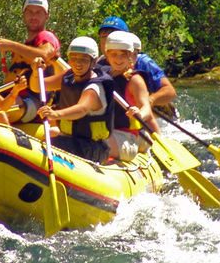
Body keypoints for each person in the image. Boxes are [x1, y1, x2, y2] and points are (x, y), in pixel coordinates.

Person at [34, 36, 114, 163]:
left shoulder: (94, 87)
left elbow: (81, 109)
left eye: (83, 59)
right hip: (72, 138)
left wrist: (55, 114)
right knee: (48, 138)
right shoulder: (69, 76)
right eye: (74, 58)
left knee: (52, 144)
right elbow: (37, 86)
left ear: (93, 62)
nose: (78, 63)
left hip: (93, 147)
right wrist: (36, 71)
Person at [0, 0, 65, 123]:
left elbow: (44, 55)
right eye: (29, 12)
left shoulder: (46, 37)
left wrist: (12, 45)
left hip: (34, 101)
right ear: (24, 15)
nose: (34, 16)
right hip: (14, 95)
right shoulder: (24, 48)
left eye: (39, 13)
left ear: (47, 16)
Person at [96, 16, 177, 111]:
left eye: (113, 35)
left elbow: (170, 92)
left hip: (148, 113)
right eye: (104, 37)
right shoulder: (98, 64)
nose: (109, 40)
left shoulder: (142, 61)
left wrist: (148, 101)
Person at [103, 31, 158, 162]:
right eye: (114, 55)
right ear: (107, 55)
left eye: (123, 55)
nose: (118, 59)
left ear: (130, 56)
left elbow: (146, 107)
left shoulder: (135, 80)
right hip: (106, 132)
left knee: (97, 143)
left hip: (127, 138)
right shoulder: (103, 75)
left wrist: (139, 113)